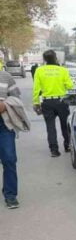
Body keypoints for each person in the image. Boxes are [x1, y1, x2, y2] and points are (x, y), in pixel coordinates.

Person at [32, 50, 73, 157]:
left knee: (50, 127)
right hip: (62, 101)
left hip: (47, 102)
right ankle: (68, 145)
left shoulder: (39, 70)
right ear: (55, 58)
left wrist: (36, 103)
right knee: (65, 125)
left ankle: (54, 150)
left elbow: (36, 88)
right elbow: (70, 86)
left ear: (44, 59)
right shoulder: (63, 70)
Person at [0, 69, 30, 209]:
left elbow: (17, 98)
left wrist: (5, 104)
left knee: (9, 159)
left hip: (3, 124)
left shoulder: (5, 76)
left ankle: (10, 195)